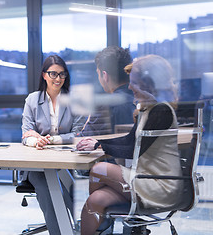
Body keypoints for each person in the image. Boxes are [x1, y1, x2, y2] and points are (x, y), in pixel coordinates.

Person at [76, 54, 182, 234]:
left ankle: (105, 226)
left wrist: (99, 145)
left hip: (160, 186)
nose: (130, 86)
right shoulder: (149, 109)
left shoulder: (161, 110)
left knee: (99, 169)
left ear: (149, 84)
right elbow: (129, 140)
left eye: (134, 82)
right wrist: (98, 143)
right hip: (146, 181)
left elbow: (133, 149)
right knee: (96, 200)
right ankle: (104, 226)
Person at [21, 55, 84, 235]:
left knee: (69, 188)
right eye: (53, 74)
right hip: (37, 165)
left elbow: (79, 134)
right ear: (44, 75)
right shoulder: (32, 100)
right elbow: (26, 134)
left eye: (62, 74)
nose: (58, 79)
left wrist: (50, 139)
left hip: (66, 162)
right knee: (47, 187)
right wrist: (35, 140)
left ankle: (81, 229)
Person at [83, 46, 135, 135]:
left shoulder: (105, 105)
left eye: (98, 74)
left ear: (105, 75)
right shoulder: (141, 100)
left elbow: (84, 139)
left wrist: (88, 120)